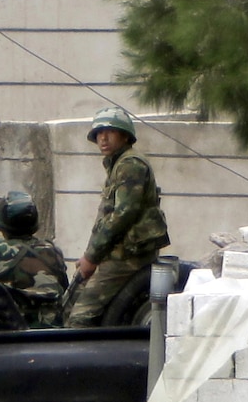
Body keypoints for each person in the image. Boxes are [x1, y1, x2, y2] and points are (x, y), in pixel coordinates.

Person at [65, 106, 170, 328]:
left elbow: (123, 214)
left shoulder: (130, 164)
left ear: (124, 136)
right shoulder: (118, 164)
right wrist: (90, 255)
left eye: (110, 132)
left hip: (128, 256)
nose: (102, 138)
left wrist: (92, 258)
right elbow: (106, 219)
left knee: (80, 317)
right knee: (69, 302)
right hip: (119, 253)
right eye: (98, 133)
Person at [0, 191, 68, 328]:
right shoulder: (53, 252)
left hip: (4, 333)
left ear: (1, 224)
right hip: (48, 332)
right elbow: (63, 288)